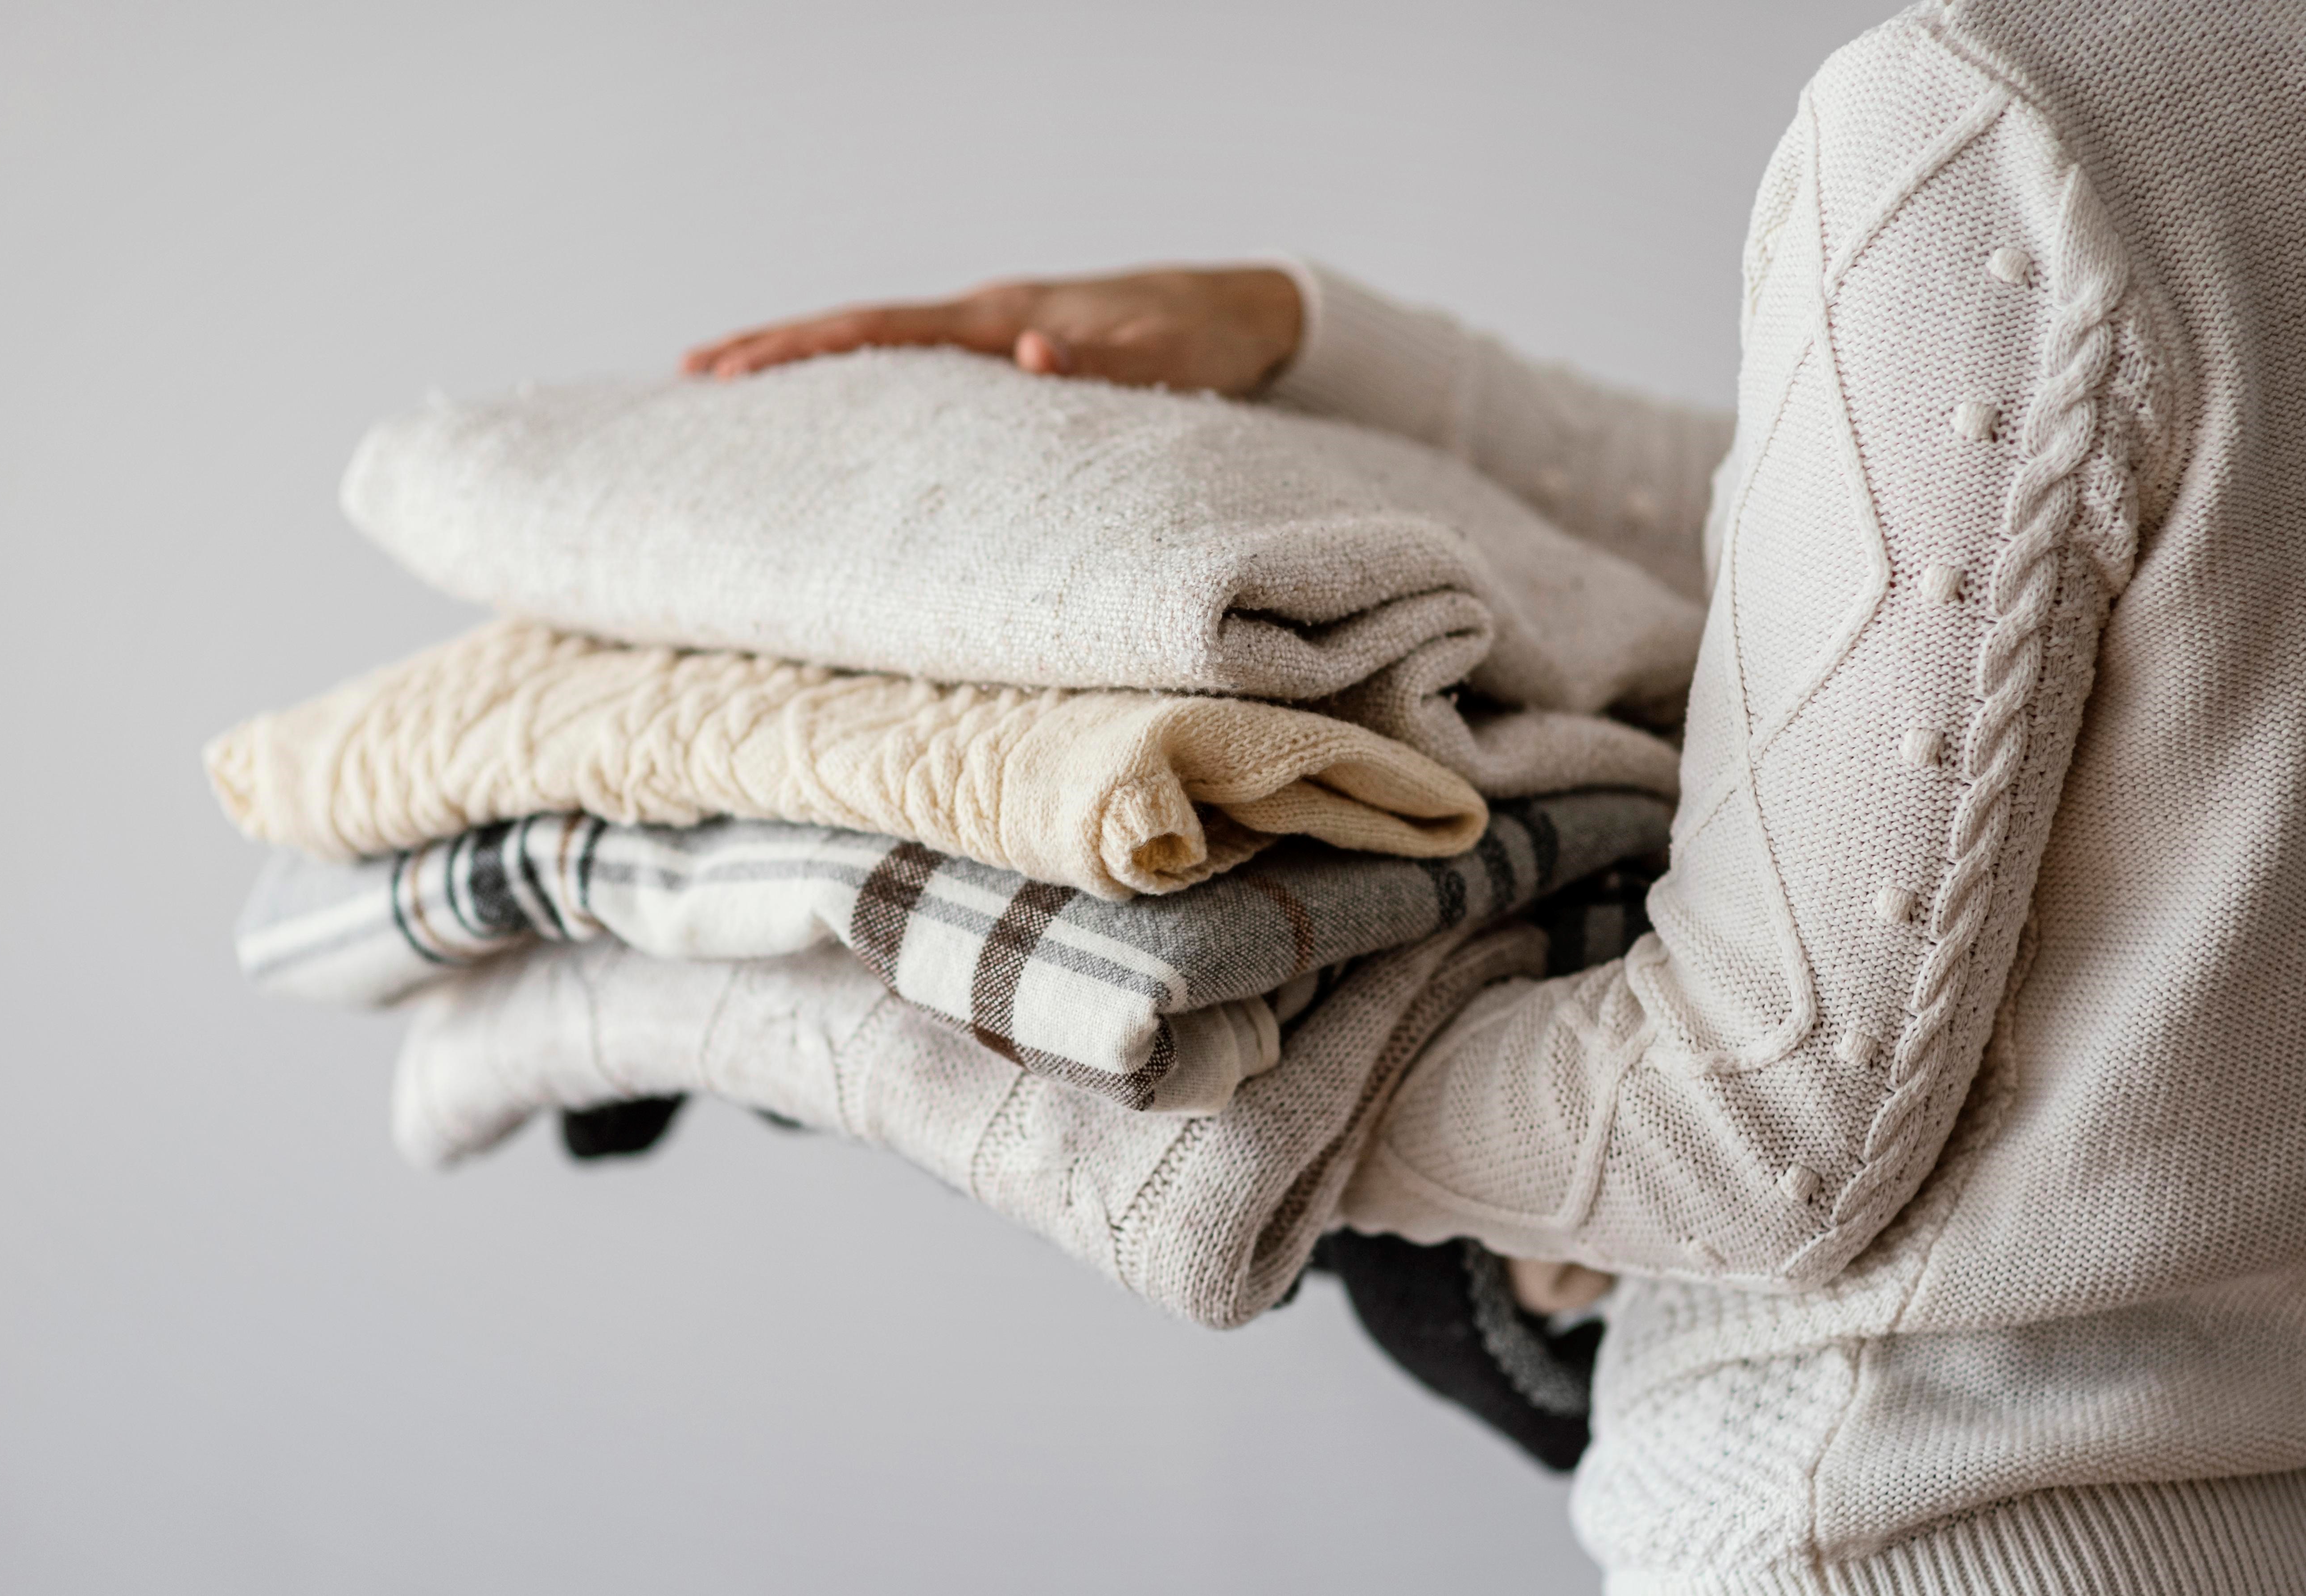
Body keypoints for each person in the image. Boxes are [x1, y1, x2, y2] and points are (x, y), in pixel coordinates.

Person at [680, 1, 2306, 1589]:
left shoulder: (2003, 121)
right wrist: (1311, 341)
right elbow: (2037, 515)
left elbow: (1753, 1132)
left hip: (1912, 1528)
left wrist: (960, 1017)